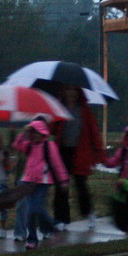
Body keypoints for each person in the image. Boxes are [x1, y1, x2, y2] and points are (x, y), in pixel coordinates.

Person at [50, 85, 105, 231]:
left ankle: (88, 212)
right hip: (62, 151)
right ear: (64, 92)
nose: (71, 93)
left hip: (80, 152)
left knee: (81, 185)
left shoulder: (84, 110)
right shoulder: (58, 108)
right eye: (69, 89)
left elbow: (94, 132)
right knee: (61, 186)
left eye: (74, 90)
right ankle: (60, 218)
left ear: (78, 93)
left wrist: (99, 153)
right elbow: (51, 130)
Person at [12, 119, 69, 249]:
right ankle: (32, 239)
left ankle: (50, 226)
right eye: (33, 132)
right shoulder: (29, 145)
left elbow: (57, 163)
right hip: (28, 181)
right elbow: (17, 145)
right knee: (30, 212)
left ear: (42, 133)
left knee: (35, 208)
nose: (35, 135)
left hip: (43, 182)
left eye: (37, 132)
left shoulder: (49, 145)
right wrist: (24, 133)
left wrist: (63, 180)